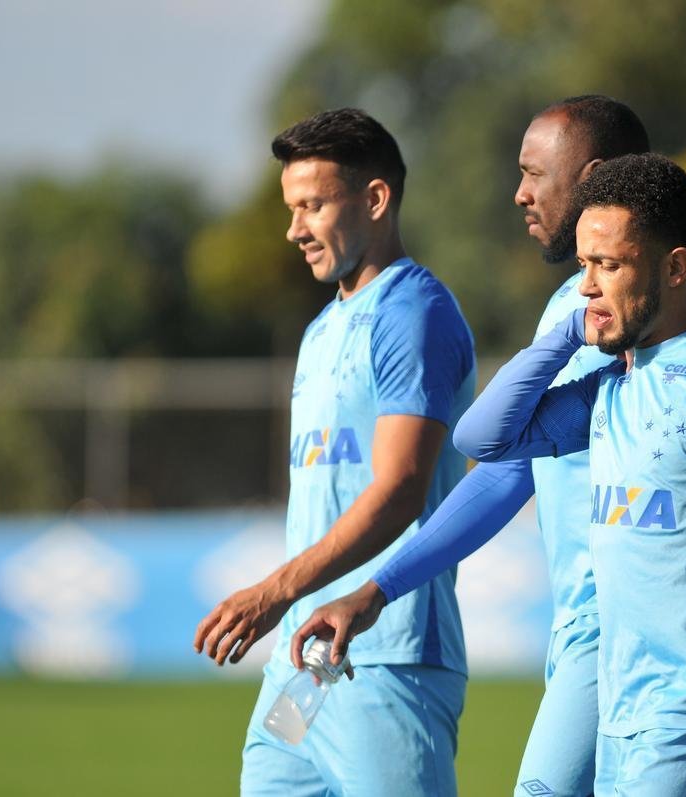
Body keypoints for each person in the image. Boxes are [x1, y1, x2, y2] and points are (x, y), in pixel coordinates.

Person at [291, 96, 686, 797]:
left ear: (593, 176)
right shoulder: (572, 305)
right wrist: (378, 588)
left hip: (642, 626)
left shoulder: (680, 301)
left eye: (535, 173)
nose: (520, 192)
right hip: (584, 624)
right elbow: (504, 473)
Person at [450, 153, 686, 797]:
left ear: (676, 267)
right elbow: (482, 437)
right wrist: (566, 337)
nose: (587, 286)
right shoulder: (612, 386)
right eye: (583, 265)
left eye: (609, 265)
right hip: (622, 715)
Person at [191, 108, 475, 797]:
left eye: (313, 205)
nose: (294, 228)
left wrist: (274, 589)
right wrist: (289, 607)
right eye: (292, 208)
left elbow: (402, 486)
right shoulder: (321, 330)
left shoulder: (415, 314)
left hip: (386, 659)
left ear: (375, 199)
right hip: (305, 665)